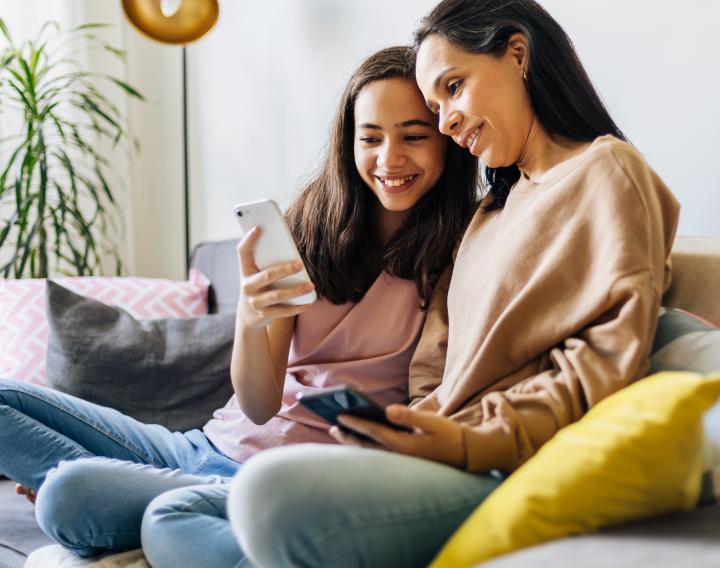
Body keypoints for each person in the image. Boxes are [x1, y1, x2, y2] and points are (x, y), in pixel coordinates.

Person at [223, 1, 682, 567]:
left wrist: (464, 442)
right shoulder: (494, 208)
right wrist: (411, 426)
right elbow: (435, 364)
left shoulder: (605, 172)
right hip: (432, 450)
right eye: (436, 106)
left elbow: (602, 367)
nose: (446, 122)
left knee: (261, 495)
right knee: (187, 511)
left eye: (454, 88)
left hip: (494, 459)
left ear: (518, 54)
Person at [0, 45, 478, 562]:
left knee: (67, 494)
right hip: (202, 450)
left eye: (413, 136)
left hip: (283, 481)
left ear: (447, 142)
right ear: (349, 143)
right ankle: (149, 503)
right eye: (371, 138)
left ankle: (141, 505)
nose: (390, 159)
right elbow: (257, 404)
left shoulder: (461, 250)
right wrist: (252, 317)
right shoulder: (305, 227)